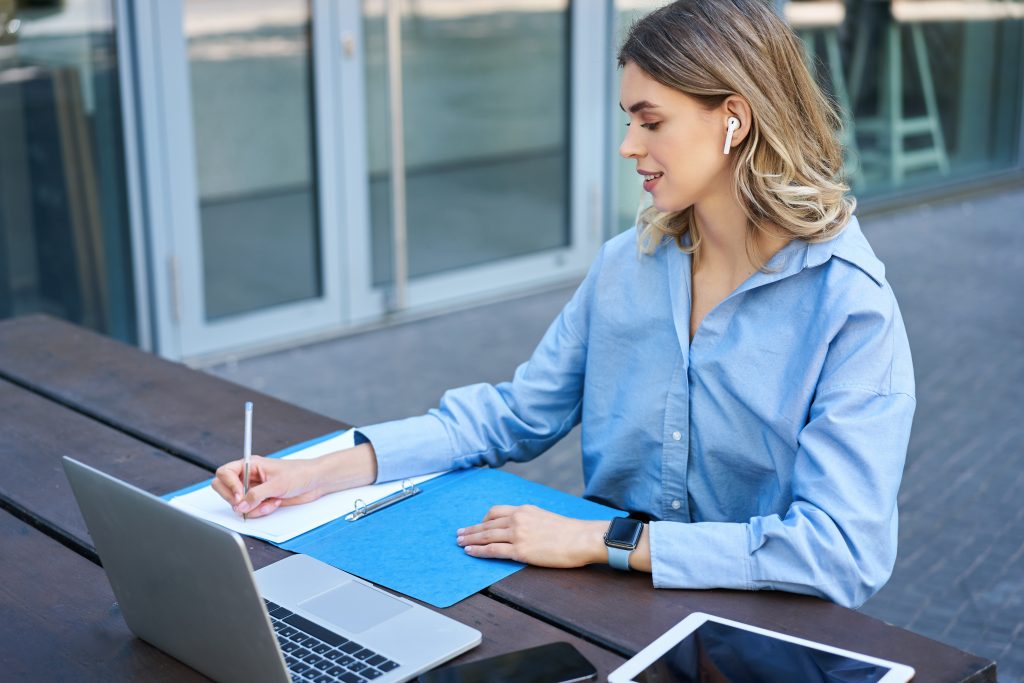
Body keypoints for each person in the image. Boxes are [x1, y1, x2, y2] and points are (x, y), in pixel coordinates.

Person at [213, 0, 914, 609]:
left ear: (733, 120)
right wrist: (317, 471)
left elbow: (841, 552)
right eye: (627, 119)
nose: (627, 144)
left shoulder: (849, 306)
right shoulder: (628, 265)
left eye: (650, 121)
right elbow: (514, 414)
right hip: (604, 603)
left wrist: (602, 539)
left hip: (757, 630)